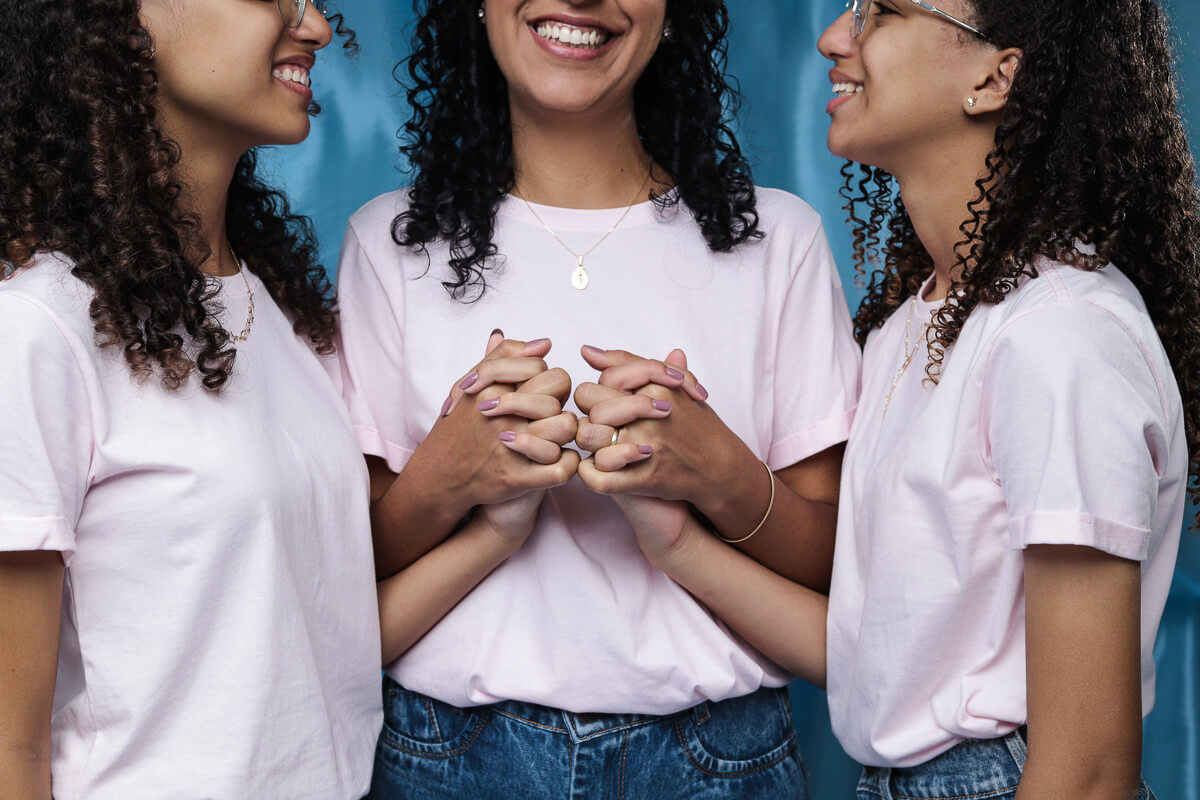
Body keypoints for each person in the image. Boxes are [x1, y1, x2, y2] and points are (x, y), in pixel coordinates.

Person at [633, 0, 1199, 798]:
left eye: (880, 13)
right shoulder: (911, 328)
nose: (834, 38)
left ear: (996, 76)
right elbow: (884, 661)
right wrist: (671, 539)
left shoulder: (1060, 338)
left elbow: (1089, 772)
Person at [334, 1, 861, 797]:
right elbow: (343, 578)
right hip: (443, 757)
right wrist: (450, 479)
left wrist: (721, 474)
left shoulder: (777, 238)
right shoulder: (389, 242)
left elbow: (837, 574)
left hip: (722, 764)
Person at [0, 1, 381, 797]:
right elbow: (9, 750)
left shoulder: (280, 315)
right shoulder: (39, 327)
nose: (312, 26)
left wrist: (499, 514)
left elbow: (313, 650)